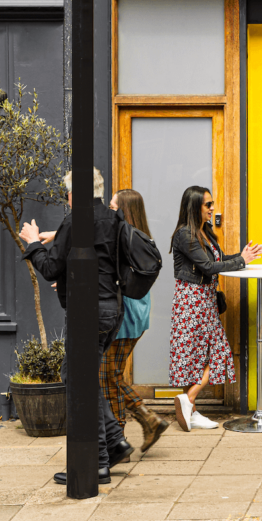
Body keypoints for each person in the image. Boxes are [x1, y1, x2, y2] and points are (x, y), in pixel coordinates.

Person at [18, 167, 133, 485]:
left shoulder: (74, 219)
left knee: (77, 381)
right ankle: (114, 441)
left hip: (87, 314)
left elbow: (52, 268)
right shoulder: (113, 217)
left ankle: (95, 464)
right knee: (81, 376)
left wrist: (32, 244)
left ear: (73, 195)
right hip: (112, 311)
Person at [169, 185, 262, 432]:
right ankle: (189, 400)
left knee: (199, 356)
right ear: (194, 207)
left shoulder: (205, 233)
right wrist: (242, 261)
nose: (212, 208)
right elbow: (209, 267)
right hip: (192, 300)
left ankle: (191, 408)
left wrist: (241, 255)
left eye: (212, 204)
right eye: (207, 205)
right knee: (213, 353)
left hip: (204, 300)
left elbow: (217, 261)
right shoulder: (185, 235)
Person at [99, 189, 168, 453]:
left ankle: (132, 430)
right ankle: (126, 434)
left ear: (123, 209)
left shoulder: (120, 236)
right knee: (111, 374)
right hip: (137, 311)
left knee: (108, 375)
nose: (109, 208)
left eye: (113, 204)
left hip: (123, 313)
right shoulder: (139, 234)